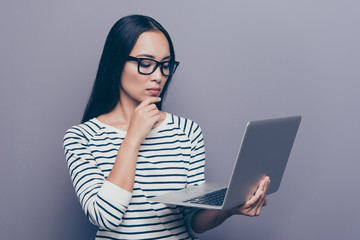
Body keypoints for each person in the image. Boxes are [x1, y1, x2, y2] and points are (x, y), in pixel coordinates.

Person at [63, 14, 270, 240]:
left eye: (165, 65)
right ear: (116, 63)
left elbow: (192, 222)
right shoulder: (80, 138)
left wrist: (228, 209)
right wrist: (133, 138)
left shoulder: (187, 131)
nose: (158, 76)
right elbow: (106, 217)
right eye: (146, 63)